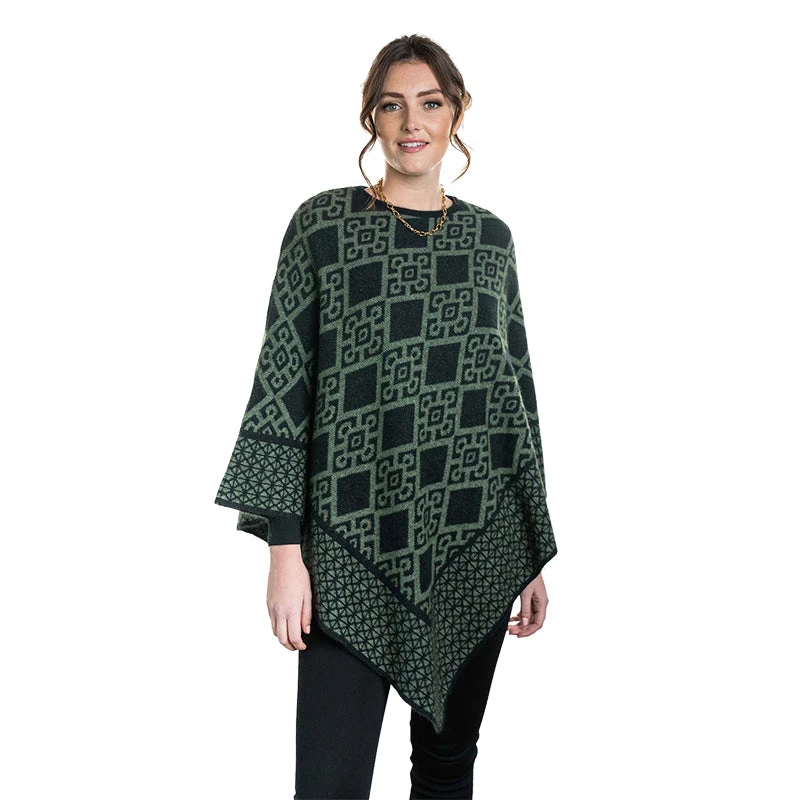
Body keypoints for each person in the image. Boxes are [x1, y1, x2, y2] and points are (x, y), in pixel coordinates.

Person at [214, 33, 558, 799]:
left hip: (473, 538)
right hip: (345, 545)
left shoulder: (490, 241)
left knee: (446, 767)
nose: (412, 123)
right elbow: (284, 383)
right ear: (371, 116)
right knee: (328, 784)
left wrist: (529, 548)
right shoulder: (323, 227)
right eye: (392, 105)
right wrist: (284, 551)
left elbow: (514, 399)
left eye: (430, 103)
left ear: (457, 112)